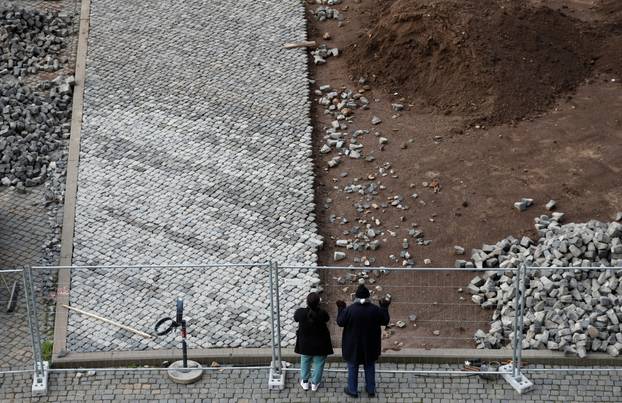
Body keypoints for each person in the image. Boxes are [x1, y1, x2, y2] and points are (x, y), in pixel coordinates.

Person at [337, 284, 390, 398]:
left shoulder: (350, 310)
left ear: (355, 297)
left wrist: (340, 309)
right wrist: (384, 308)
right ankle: (370, 389)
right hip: (370, 344)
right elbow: (385, 321)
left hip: (353, 345)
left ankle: (353, 390)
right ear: (368, 297)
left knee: (353, 366)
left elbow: (340, 322)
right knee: (369, 366)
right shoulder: (375, 310)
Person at [294, 292, 334, 392]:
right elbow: (327, 319)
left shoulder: (300, 312)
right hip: (320, 344)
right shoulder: (323, 313)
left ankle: (305, 382)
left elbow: (295, 318)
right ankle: (315, 383)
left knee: (305, 362)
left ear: (307, 302)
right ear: (318, 303)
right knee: (319, 363)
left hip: (305, 344)